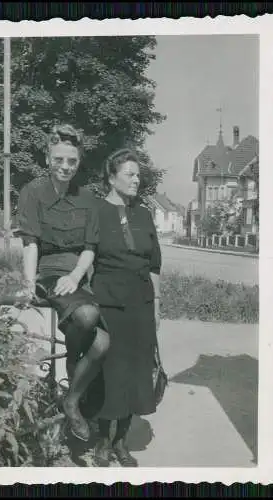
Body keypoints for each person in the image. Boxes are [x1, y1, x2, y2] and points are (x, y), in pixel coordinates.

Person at [16, 123, 110, 443]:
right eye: (59, 159)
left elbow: (90, 248)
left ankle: (71, 400)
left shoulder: (88, 199)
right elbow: (30, 243)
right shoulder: (32, 192)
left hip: (78, 276)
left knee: (103, 344)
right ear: (48, 158)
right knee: (87, 317)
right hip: (47, 272)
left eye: (71, 161)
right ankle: (73, 371)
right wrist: (29, 284)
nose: (65, 166)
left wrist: (75, 275)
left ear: (79, 161)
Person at [90, 148, 162, 467]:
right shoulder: (96, 211)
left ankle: (122, 442)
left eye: (138, 174)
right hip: (108, 299)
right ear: (111, 177)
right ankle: (103, 441)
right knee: (111, 370)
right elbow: (88, 256)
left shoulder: (144, 213)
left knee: (136, 370)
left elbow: (155, 264)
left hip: (141, 302)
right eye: (129, 174)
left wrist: (157, 304)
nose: (136, 179)